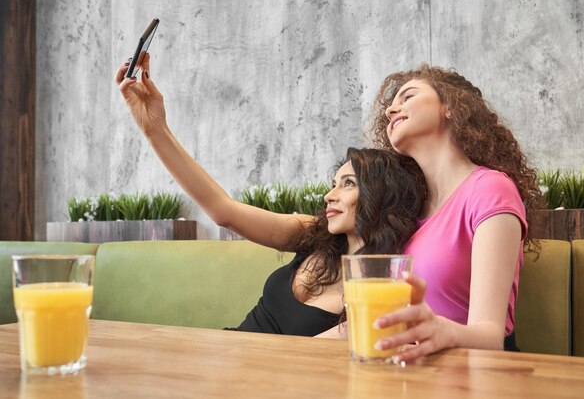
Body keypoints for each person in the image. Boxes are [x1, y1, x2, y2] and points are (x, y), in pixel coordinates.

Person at [114, 53, 425, 338]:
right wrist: (155, 128)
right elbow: (224, 211)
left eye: (347, 184)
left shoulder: (386, 286)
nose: (330, 195)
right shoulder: (314, 234)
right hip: (227, 354)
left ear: (379, 195)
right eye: (333, 183)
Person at [369, 63, 544, 361]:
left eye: (407, 96)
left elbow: (491, 336)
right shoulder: (407, 212)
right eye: (390, 105)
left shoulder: (490, 190)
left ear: (450, 105)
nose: (390, 111)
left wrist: (441, 331)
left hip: (475, 377)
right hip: (414, 373)